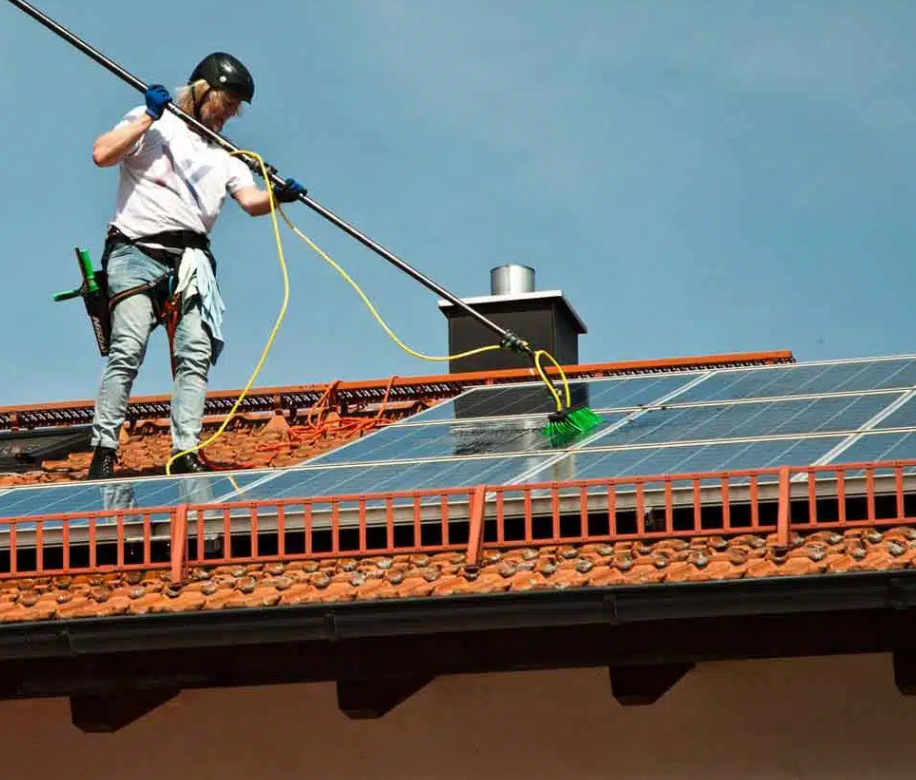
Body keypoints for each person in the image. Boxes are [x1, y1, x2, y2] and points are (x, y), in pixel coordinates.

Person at [86, 52, 304, 480]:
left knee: (195, 356)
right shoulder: (155, 123)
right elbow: (101, 154)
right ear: (202, 92)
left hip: (191, 261)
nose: (227, 116)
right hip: (136, 252)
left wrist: (279, 197)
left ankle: (185, 450)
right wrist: (147, 117)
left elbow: (250, 202)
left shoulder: (228, 155)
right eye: (224, 105)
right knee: (128, 349)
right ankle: (104, 448)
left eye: (233, 110)